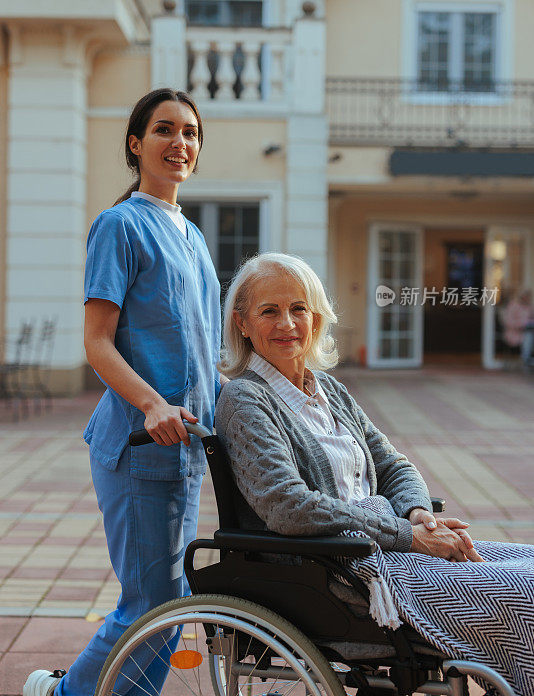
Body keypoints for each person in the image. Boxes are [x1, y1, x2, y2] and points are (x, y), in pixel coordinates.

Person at [215, 252, 534, 696]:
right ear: (242, 323)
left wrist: (419, 514)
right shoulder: (246, 401)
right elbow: (289, 507)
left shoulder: (330, 390)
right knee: (526, 593)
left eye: (298, 309)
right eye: (269, 311)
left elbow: (392, 464)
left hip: (385, 549)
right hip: (340, 569)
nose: (287, 323)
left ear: (316, 317)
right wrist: (407, 536)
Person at [24, 89, 223, 696]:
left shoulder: (191, 235)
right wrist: (151, 403)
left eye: (190, 133)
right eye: (164, 130)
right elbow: (98, 343)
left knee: (164, 607)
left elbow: (203, 349)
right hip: (140, 445)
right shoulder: (119, 227)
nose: (179, 143)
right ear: (136, 145)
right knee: (149, 608)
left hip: (186, 449)